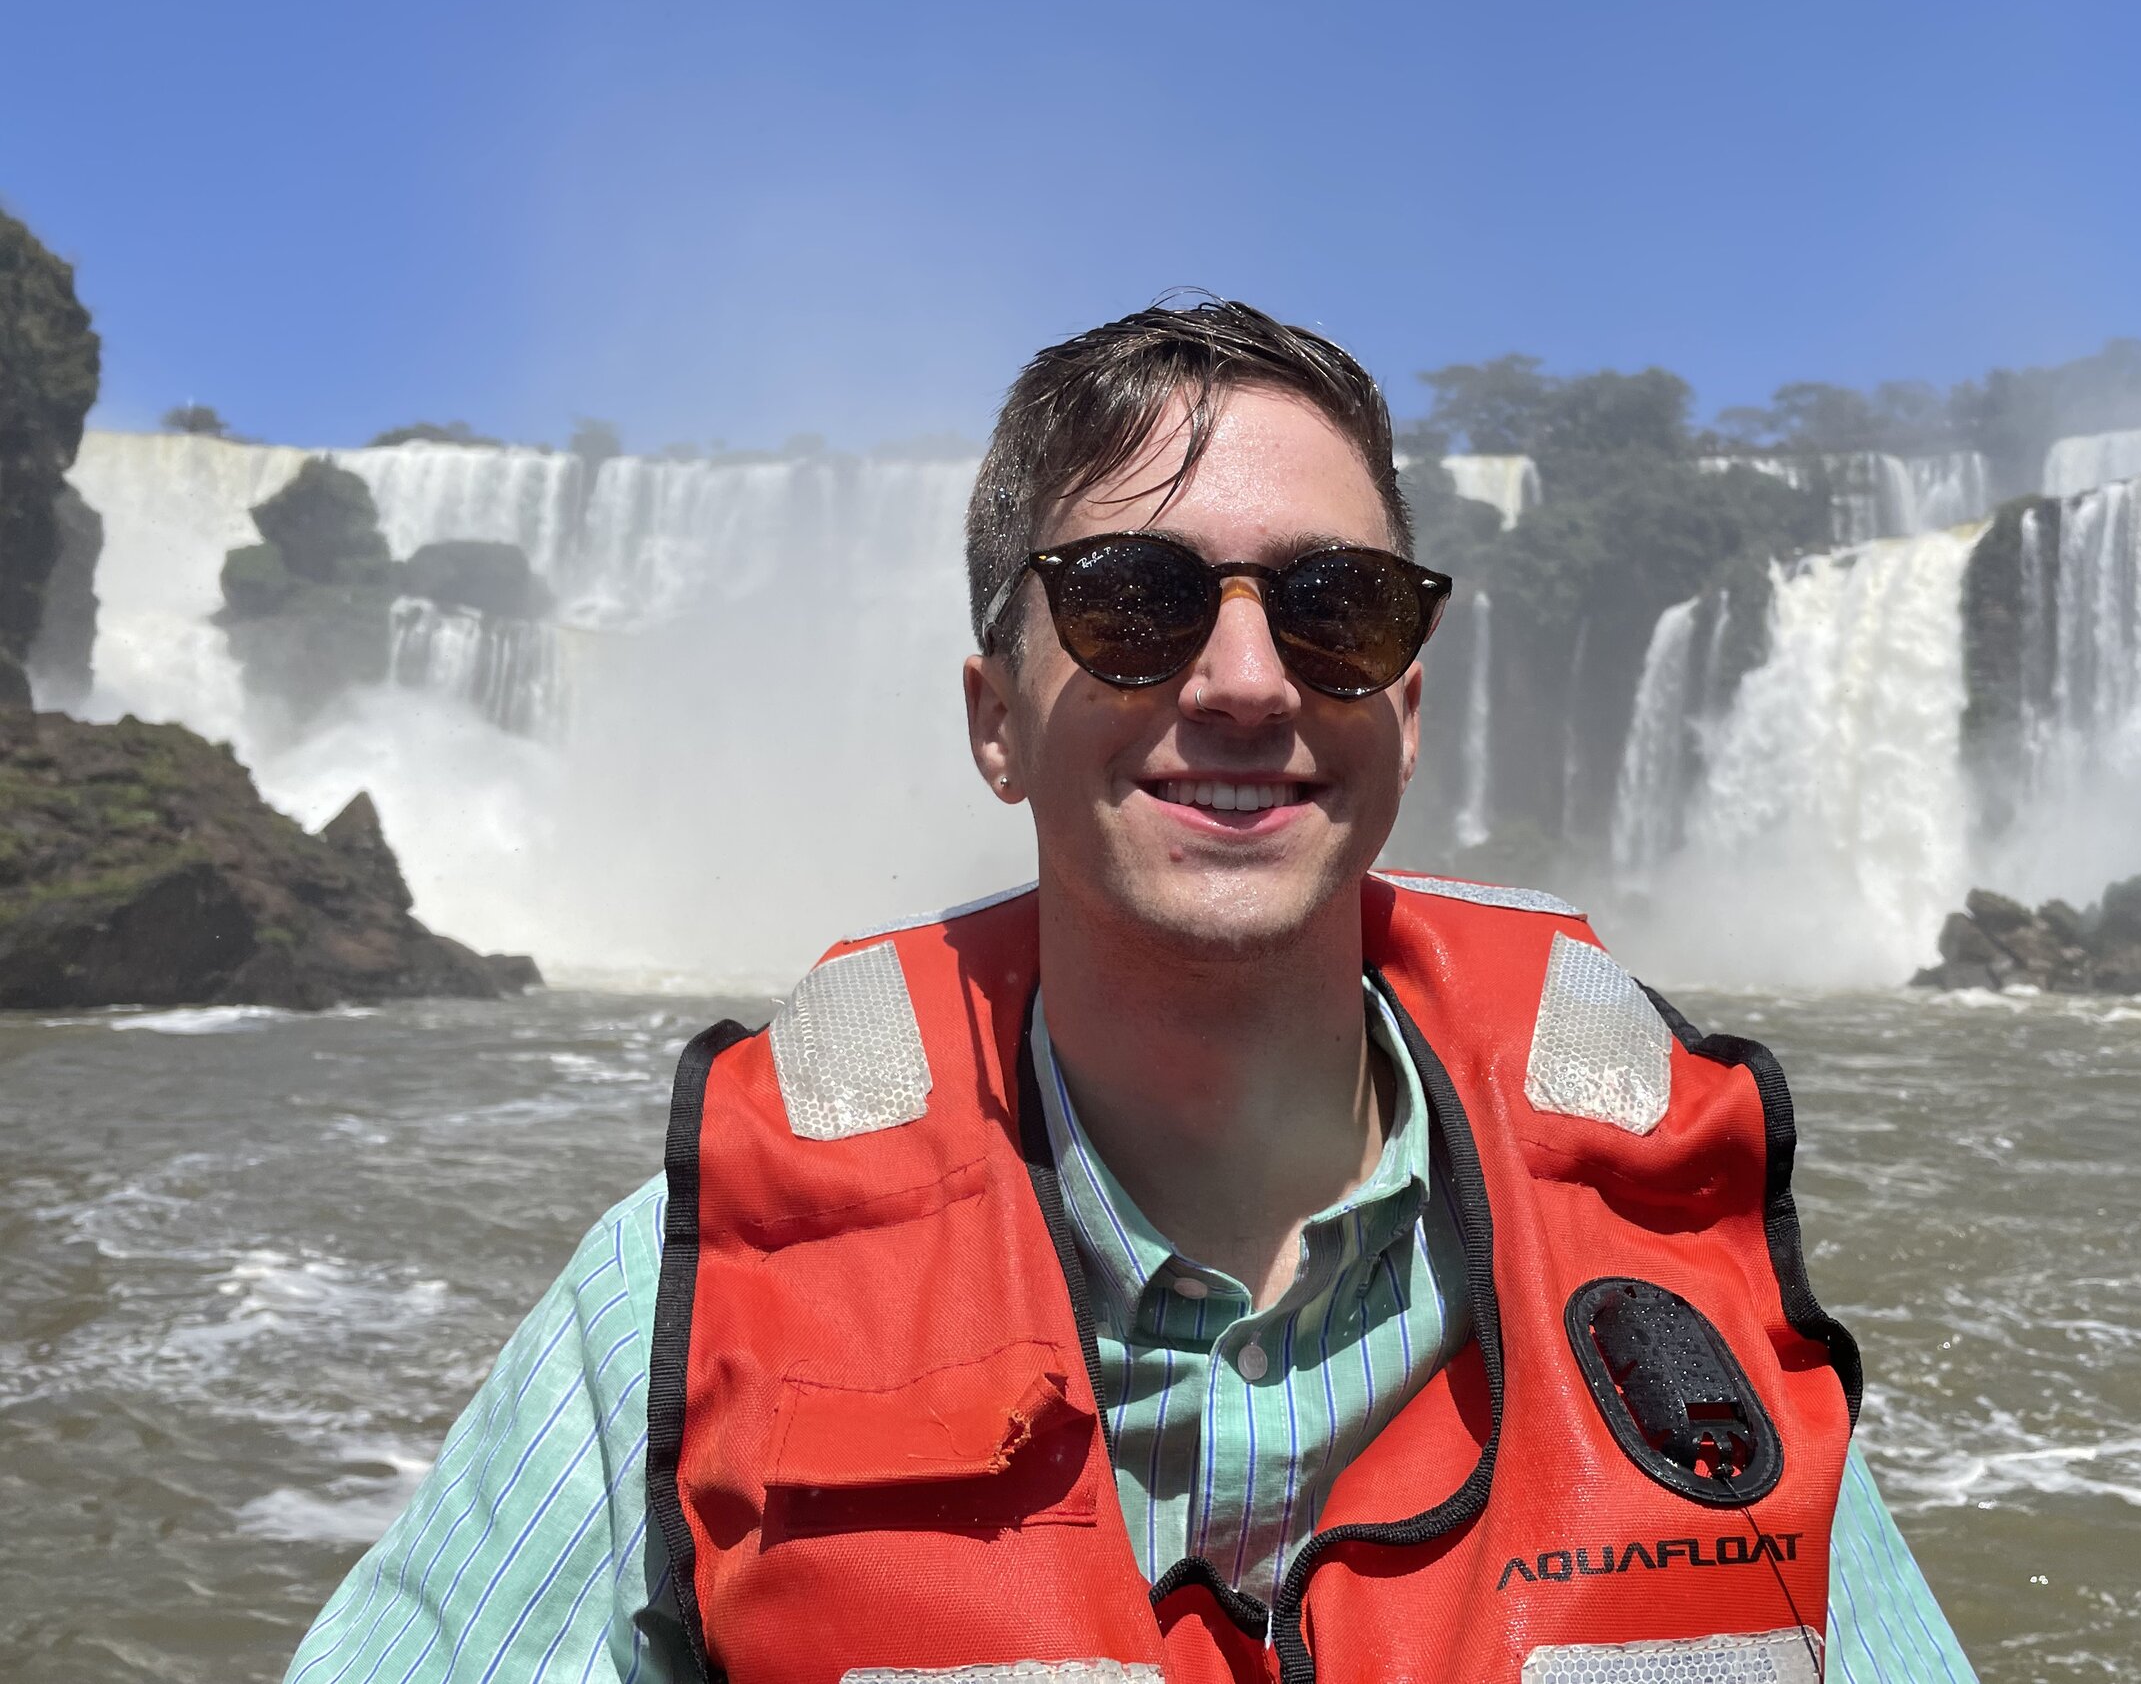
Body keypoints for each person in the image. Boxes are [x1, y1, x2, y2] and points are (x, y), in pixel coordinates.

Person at [286, 301, 1975, 1684]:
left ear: (1410, 704)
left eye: (1336, 608)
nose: (1246, 680)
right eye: (1133, 604)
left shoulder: (1688, 1305)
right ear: (994, 717)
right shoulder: (693, 1291)